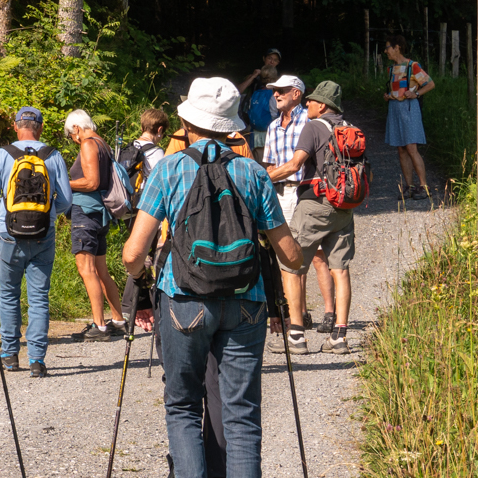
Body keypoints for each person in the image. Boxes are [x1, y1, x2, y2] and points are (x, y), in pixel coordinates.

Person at [123, 77, 304, 478]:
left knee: (183, 405)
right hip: (246, 301)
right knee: (241, 414)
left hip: (183, 298)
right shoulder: (254, 173)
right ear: (232, 127)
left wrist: (141, 281)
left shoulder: (169, 169)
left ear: (187, 124)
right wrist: (301, 265)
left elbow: (133, 252)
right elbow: (290, 253)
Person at [0, 107, 72, 377]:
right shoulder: (53, 155)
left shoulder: (3, 154)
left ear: (15, 126)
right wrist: (47, 215)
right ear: (41, 127)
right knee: (39, 298)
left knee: (9, 295)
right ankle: (37, 360)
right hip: (44, 233)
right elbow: (66, 200)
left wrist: (6, 215)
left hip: (9, 233)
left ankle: (10, 356)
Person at [281, 79, 356, 354]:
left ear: (322, 105)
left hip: (314, 204)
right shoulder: (349, 129)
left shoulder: (313, 127)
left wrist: (263, 176)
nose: (308, 103)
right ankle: (340, 336)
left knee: (291, 264)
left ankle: (297, 336)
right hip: (344, 207)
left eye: (311, 100)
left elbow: (294, 164)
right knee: (340, 269)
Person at [260, 74, 311, 352]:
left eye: (280, 90)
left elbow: (293, 166)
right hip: (277, 192)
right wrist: (265, 179)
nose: (275, 95)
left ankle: (297, 327)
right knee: (281, 256)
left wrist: (261, 178)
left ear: (296, 93)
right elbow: (268, 164)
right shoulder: (271, 127)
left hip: (299, 191)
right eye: (274, 91)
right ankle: (296, 317)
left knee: (292, 258)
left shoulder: (309, 122)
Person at [64, 109, 123, 342]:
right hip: (100, 214)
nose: (73, 140)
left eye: (71, 135)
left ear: (76, 129)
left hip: (86, 213)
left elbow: (92, 181)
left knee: (86, 269)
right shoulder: (103, 143)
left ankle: (99, 326)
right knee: (100, 270)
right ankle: (117, 320)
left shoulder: (88, 143)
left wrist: (62, 183)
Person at [383, 35, 435, 199]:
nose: (386, 51)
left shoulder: (413, 66)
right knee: (401, 149)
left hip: (409, 109)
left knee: (411, 148)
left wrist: (416, 93)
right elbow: (396, 89)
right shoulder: (391, 69)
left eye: (387, 48)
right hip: (395, 109)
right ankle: (409, 186)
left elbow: (430, 84)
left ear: (397, 47)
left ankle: (424, 187)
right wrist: (388, 95)